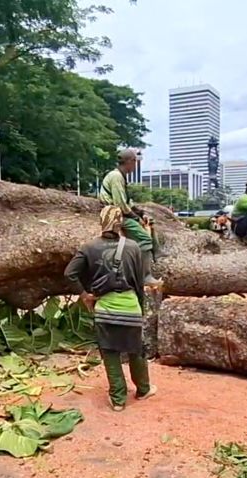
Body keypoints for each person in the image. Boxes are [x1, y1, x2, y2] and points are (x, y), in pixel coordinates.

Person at [64, 206, 158, 411]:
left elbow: (70, 274)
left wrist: (85, 295)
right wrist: (139, 310)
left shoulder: (88, 247)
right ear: (121, 223)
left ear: (101, 222)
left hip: (105, 308)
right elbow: (140, 282)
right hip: (130, 306)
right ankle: (143, 390)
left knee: (109, 351)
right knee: (136, 350)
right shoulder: (134, 247)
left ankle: (118, 400)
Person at [99, 148, 161, 286]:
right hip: (114, 214)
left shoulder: (120, 176)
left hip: (120, 211)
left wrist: (140, 213)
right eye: (135, 162)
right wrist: (135, 217)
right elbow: (120, 204)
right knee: (144, 238)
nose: (136, 165)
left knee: (149, 222)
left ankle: (157, 253)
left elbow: (127, 202)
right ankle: (145, 275)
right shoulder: (116, 177)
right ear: (130, 161)